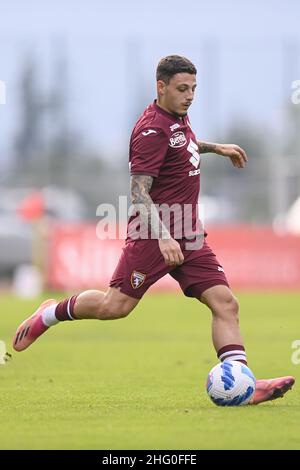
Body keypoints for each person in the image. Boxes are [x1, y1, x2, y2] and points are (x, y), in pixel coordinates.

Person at [13, 55, 295, 405]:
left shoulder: (177, 117)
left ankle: (243, 386)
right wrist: (163, 236)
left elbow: (181, 144)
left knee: (225, 303)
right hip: (153, 236)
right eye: (182, 89)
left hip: (189, 234)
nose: (190, 96)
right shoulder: (149, 130)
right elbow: (138, 193)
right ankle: (50, 313)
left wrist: (214, 147)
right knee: (113, 307)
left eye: (194, 89)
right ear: (160, 87)